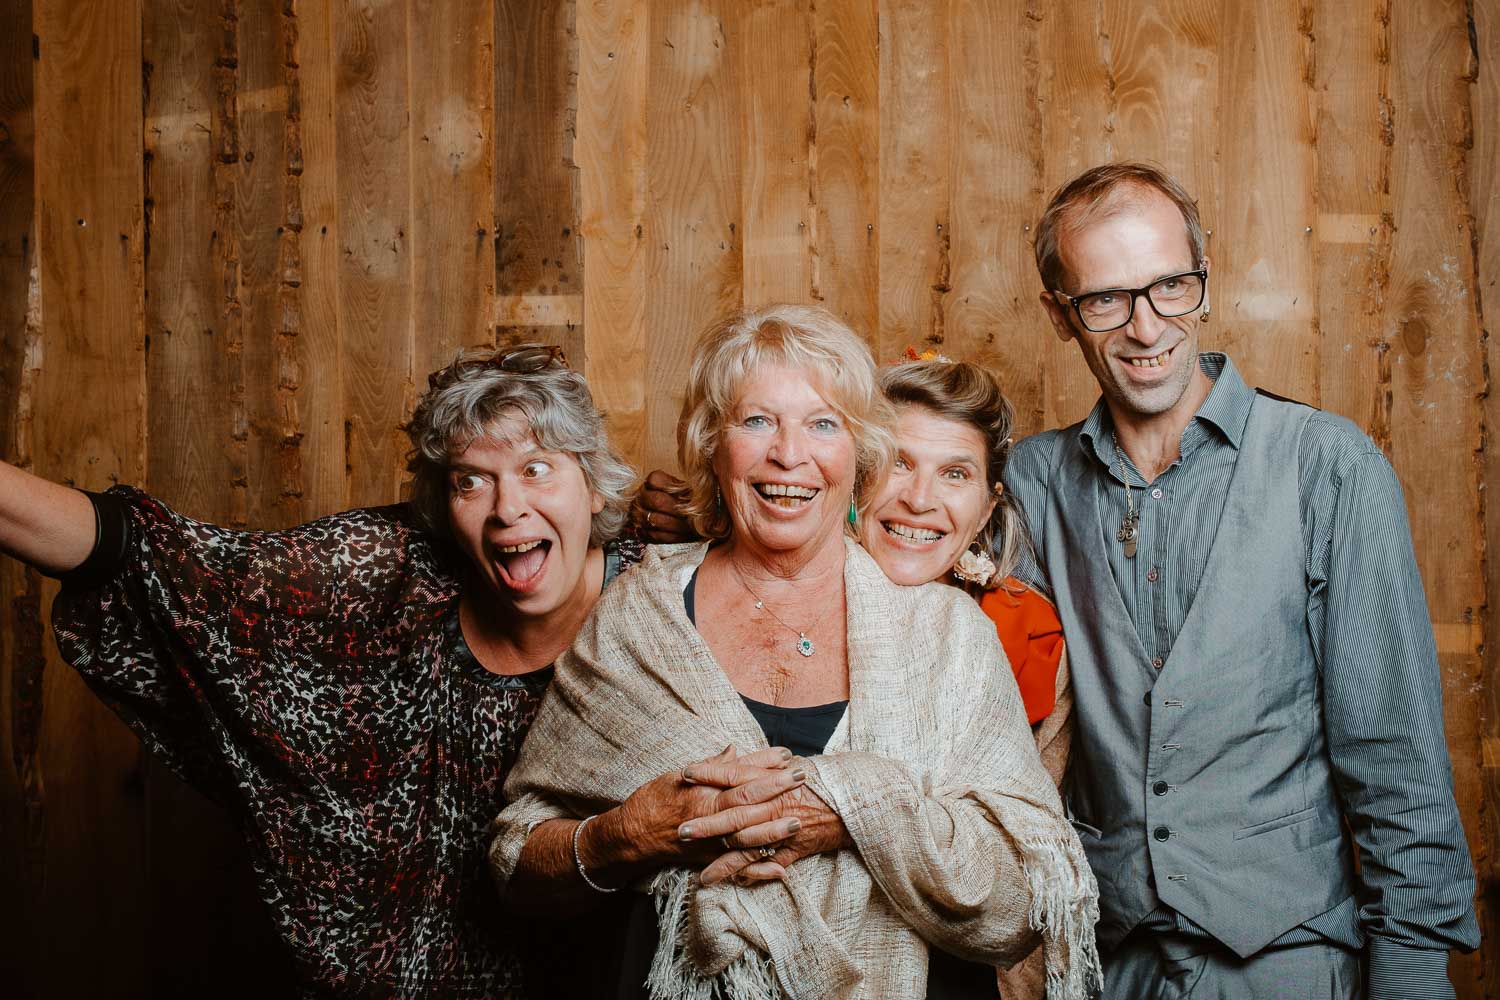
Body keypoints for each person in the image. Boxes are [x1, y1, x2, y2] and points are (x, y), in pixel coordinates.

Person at [0, 344, 693, 997]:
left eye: (537, 468)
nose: (507, 507)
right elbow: (163, 558)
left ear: (594, 484)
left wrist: (715, 513)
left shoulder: (667, 601)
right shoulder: (382, 570)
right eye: (470, 481)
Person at [489, 305, 1100, 1000]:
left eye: (822, 424)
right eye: (756, 421)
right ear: (711, 444)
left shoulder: (948, 635)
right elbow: (516, 860)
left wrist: (857, 810)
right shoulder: (642, 611)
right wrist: (626, 834)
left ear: (859, 456)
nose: (788, 455)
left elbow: (1026, 895)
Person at [1007, 162, 1479, 997]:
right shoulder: (1032, 482)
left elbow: (1393, 751)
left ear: (1204, 280)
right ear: (1060, 316)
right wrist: (715, 519)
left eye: (1169, 287)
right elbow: (893, 544)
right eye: (1106, 299)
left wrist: (1410, 972)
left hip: (1289, 958)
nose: (1147, 328)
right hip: (1102, 964)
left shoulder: (1326, 465)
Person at [637, 358, 1073, 778]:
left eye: (955, 474)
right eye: (898, 463)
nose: (919, 500)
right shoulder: (726, 584)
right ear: (854, 473)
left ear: (985, 510)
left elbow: (1014, 827)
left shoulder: (1032, 642)